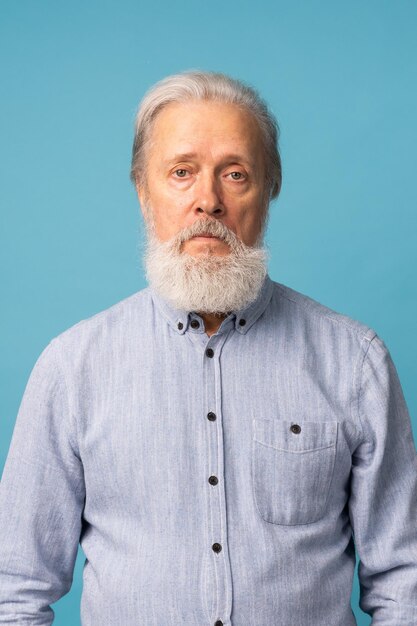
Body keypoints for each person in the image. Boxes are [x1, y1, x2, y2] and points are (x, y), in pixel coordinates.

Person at [0, 71, 416, 626]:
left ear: (270, 191)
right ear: (142, 191)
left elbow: (403, 580)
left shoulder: (355, 362)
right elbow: (15, 589)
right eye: (181, 172)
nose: (208, 202)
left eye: (236, 174)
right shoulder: (73, 367)